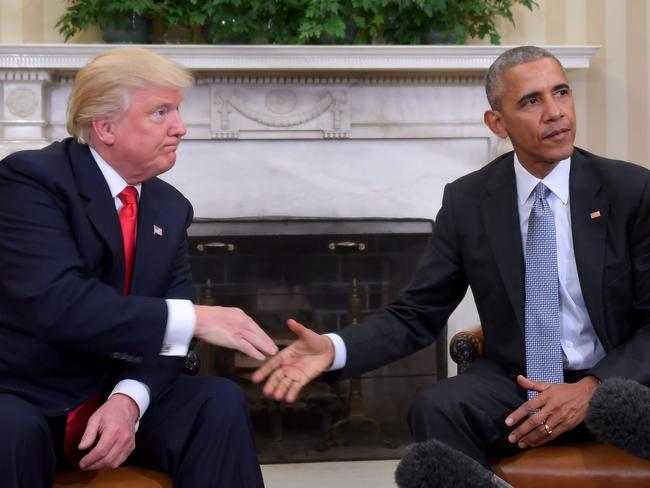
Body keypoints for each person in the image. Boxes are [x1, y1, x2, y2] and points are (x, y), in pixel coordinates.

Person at [252, 45, 650, 469]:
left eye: (562, 93)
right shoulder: (468, 201)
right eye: (532, 101)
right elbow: (416, 313)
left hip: (619, 384)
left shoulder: (629, 190)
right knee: (436, 408)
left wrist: (592, 389)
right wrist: (335, 349)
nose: (555, 112)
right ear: (497, 122)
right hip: (519, 384)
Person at [0, 47, 278, 488]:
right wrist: (196, 317)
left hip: (114, 392)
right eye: (160, 112)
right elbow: (61, 305)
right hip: (29, 395)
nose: (180, 128)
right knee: (8, 431)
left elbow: (170, 342)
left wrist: (129, 400)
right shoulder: (32, 181)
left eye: (178, 111)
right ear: (105, 127)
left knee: (217, 401)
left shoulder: (170, 207)